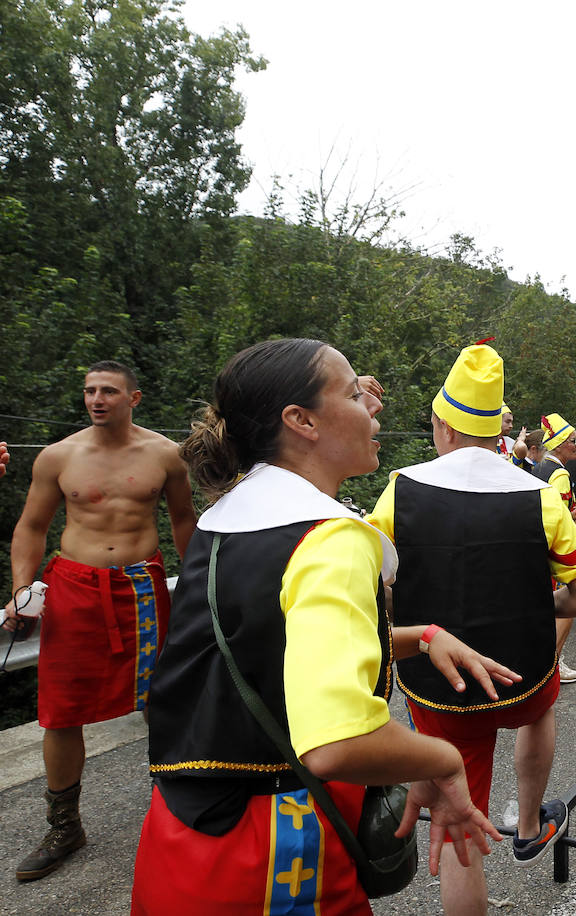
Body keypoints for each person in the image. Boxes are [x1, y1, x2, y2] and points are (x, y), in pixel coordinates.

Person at [131, 338, 501, 913]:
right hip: (278, 849)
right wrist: (444, 761)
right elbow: (338, 741)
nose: (375, 406)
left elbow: (270, 648)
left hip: (184, 839)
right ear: (300, 421)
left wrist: (421, 637)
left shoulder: (227, 518)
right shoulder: (330, 538)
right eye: (355, 394)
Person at [366, 344, 576, 915]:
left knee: (457, 817)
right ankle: (528, 823)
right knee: (539, 710)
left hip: (441, 682)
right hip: (522, 671)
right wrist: (527, 608)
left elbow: (371, 582)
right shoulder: (541, 494)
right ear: (496, 429)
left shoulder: (401, 487)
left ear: (444, 424)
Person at [2, 361, 196, 882]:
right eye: (89, 391)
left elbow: (183, 521)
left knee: (164, 699)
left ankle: (180, 809)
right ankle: (64, 826)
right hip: (73, 589)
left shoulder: (164, 455)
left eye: (108, 391)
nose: (96, 399)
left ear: (134, 398)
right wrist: (21, 590)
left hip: (141, 589)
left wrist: (199, 591)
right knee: (60, 712)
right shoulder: (59, 456)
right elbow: (31, 526)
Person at [534, 413, 576, 685]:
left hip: (539, 548)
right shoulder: (560, 473)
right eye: (573, 441)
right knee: (568, 607)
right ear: (559, 445)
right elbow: (556, 518)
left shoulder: (541, 466)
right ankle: (551, 663)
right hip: (555, 551)